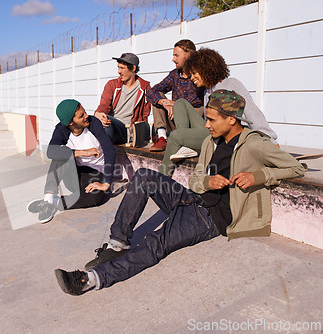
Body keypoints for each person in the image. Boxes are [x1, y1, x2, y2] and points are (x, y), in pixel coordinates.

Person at [54, 90, 304, 295]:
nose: (206, 125)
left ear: (231, 119)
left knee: (156, 242)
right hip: (193, 197)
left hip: (211, 218)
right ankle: (117, 243)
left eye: (212, 120)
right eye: (205, 118)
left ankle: (89, 280)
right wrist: (208, 181)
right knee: (142, 177)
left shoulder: (255, 144)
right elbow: (196, 179)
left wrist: (257, 176)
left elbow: (296, 168)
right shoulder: (210, 141)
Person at [158, 47, 278, 176]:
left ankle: (161, 180)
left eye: (194, 73)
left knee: (176, 136)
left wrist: (271, 140)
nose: (192, 77)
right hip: (213, 132)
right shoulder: (207, 92)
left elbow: (252, 112)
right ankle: (187, 146)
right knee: (180, 103)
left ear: (206, 68)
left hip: (226, 136)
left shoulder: (231, 84)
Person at [27, 99, 116, 223]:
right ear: (70, 122)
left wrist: (106, 182)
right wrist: (83, 152)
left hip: (95, 174)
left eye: (84, 112)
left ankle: (55, 202)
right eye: (81, 116)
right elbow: (51, 152)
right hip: (75, 174)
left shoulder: (93, 123)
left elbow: (109, 150)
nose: (86, 116)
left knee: (95, 198)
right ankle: (48, 198)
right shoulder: (61, 129)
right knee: (60, 153)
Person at [146, 39, 205, 152]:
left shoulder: (199, 74)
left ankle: (189, 142)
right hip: (175, 120)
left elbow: (199, 98)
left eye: (177, 55)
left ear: (188, 55)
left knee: (200, 107)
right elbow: (151, 91)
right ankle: (162, 137)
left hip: (194, 123)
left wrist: (176, 104)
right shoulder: (174, 74)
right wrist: (164, 102)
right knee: (157, 97)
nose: (173, 59)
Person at [94, 53, 152, 144]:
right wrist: (99, 113)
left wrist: (142, 134)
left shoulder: (144, 87)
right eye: (118, 67)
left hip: (130, 131)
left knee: (107, 123)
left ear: (133, 68)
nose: (119, 71)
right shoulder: (112, 85)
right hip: (114, 127)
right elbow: (104, 105)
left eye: (122, 68)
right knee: (98, 120)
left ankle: (104, 154)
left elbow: (145, 115)